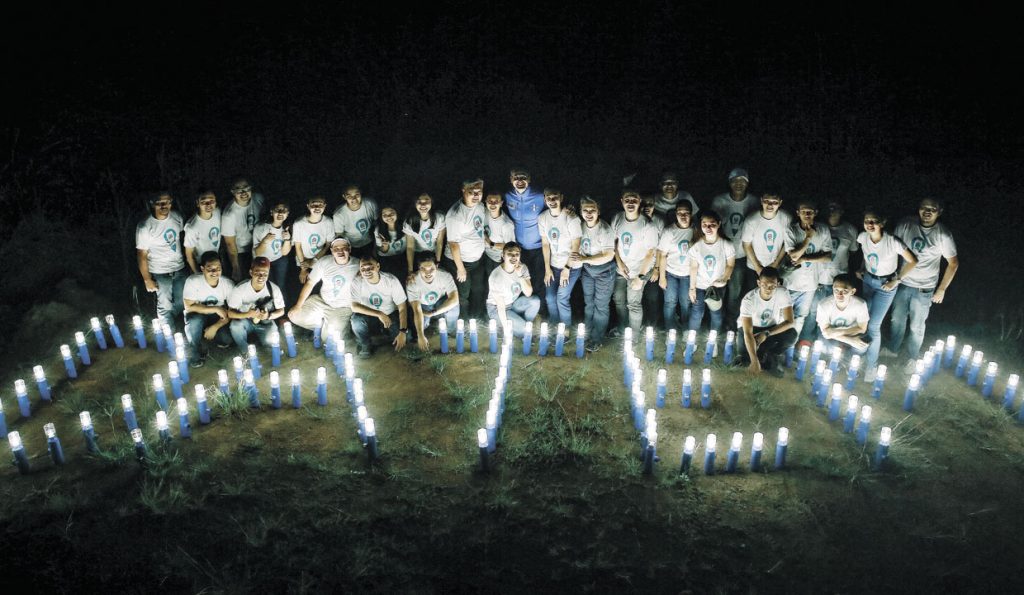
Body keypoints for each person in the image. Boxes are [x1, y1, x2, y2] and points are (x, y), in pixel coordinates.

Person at [885, 197, 959, 374]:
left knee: (917, 325)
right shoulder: (905, 225)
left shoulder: (943, 235)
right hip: (902, 282)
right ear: (918, 209)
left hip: (924, 287)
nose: (927, 212)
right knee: (897, 319)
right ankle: (893, 349)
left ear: (939, 212)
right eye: (924, 208)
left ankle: (912, 357)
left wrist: (941, 289)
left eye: (932, 209)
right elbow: (892, 247)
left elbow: (953, 263)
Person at [856, 207, 918, 381]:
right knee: (863, 320)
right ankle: (861, 354)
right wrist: (861, 268)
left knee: (874, 326)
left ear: (882, 223)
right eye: (867, 221)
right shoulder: (862, 237)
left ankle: (871, 366)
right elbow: (867, 254)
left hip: (885, 285)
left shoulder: (892, 241)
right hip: (868, 281)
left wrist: (897, 280)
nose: (870, 224)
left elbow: (913, 261)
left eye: (874, 221)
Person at [710, 168, 760, 330]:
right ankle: (716, 322)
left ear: (747, 183)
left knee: (735, 292)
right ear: (729, 183)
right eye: (735, 181)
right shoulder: (720, 201)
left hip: (740, 254)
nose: (738, 184)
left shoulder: (753, 201)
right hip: (721, 254)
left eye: (742, 181)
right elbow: (711, 225)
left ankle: (730, 321)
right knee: (718, 289)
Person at [805, 201, 860, 345]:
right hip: (818, 280)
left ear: (842, 211)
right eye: (829, 207)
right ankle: (806, 341)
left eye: (835, 207)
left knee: (831, 315)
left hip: (839, 283)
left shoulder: (850, 230)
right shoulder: (819, 227)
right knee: (812, 312)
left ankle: (824, 344)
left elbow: (853, 253)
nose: (832, 210)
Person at [289, 237, 360, 341]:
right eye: (336, 249)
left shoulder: (358, 265)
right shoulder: (324, 261)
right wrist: (298, 306)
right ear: (331, 250)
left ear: (349, 249)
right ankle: (322, 326)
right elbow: (310, 283)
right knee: (294, 315)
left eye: (344, 248)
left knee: (328, 339)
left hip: (342, 307)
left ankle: (340, 327)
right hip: (322, 301)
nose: (340, 251)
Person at [782, 200, 832, 347]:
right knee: (783, 317)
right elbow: (793, 256)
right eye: (803, 211)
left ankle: (790, 348)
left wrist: (805, 258)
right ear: (798, 213)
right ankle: (778, 347)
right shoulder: (791, 230)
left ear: (815, 213)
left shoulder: (823, 229)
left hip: (810, 284)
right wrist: (808, 237)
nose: (807, 214)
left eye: (810, 211)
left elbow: (828, 257)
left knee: (800, 317)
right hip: (791, 283)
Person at [136, 191, 188, 331]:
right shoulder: (145, 226)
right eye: (160, 203)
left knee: (182, 302)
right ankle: (168, 334)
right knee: (165, 305)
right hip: (160, 272)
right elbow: (141, 255)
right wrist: (147, 279)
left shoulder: (177, 217)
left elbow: (182, 238)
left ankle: (176, 324)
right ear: (152, 204)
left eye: (167, 202)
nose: (164, 206)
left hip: (179, 268)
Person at [611, 190, 659, 335]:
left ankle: (634, 336)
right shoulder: (618, 218)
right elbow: (613, 243)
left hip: (640, 270)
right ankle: (623, 329)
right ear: (622, 201)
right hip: (622, 269)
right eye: (627, 200)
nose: (630, 203)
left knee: (633, 303)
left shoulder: (648, 225)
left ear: (639, 201)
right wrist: (619, 263)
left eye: (634, 200)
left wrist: (640, 277)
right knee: (618, 300)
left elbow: (650, 253)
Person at [572, 196, 617, 350]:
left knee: (601, 305)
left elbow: (608, 255)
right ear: (581, 212)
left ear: (599, 211)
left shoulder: (605, 230)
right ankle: (586, 333)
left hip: (604, 271)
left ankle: (597, 339)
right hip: (588, 271)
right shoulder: (580, 226)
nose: (589, 213)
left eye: (593, 210)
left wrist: (585, 259)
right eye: (585, 210)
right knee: (589, 303)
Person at [738, 267, 796, 377]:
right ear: (758, 283)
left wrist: (766, 333)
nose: (768, 289)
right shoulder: (749, 300)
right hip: (752, 328)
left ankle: (772, 355)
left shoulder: (783, 292)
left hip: (770, 328)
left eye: (772, 286)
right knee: (745, 356)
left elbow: (789, 321)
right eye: (764, 285)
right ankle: (759, 355)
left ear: (778, 284)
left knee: (791, 334)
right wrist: (754, 361)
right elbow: (747, 332)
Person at [504, 168, 548, 311]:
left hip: (538, 248)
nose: (520, 181)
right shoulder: (508, 196)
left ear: (529, 180)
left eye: (523, 177)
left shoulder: (539, 196)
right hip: (519, 249)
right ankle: (524, 312)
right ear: (511, 180)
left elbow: (555, 208)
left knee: (539, 282)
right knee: (521, 281)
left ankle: (540, 314)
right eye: (516, 177)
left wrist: (569, 208)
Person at [443, 178, 488, 318]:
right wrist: (460, 268)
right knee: (463, 293)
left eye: (479, 192)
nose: (476, 195)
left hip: (477, 260)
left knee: (478, 289)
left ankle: (476, 317)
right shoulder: (455, 215)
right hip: (460, 262)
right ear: (463, 191)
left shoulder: (480, 206)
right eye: (472, 192)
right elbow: (453, 244)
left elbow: (479, 228)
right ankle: (463, 320)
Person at [537, 188, 582, 326]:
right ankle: (554, 325)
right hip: (554, 265)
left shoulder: (571, 218)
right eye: (548, 198)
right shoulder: (542, 218)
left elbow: (576, 245)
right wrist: (547, 269)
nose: (552, 200)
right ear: (544, 199)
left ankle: (565, 329)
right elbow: (545, 244)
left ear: (561, 198)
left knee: (562, 298)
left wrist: (567, 268)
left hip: (571, 266)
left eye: (555, 197)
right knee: (550, 298)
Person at [182, 251, 235, 366]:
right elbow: (189, 307)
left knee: (226, 339)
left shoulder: (227, 284)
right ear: (202, 268)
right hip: (197, 314)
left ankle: (208, 334)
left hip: (217, 316)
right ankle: (195, 350)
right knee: (194, 322)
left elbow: (231, 312)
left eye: (218, 268)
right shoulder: (193, 281)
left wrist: (215, 327)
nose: (215, 272)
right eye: (210, 269)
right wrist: (215, 308)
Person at [687, 210, 736, 334]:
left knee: (716, 313)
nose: (708, 228)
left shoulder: (726, 244)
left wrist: (724, 278)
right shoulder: (696, 245)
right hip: (700, 285)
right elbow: (693, 267)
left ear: (719, 224)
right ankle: (691, 338)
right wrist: (692, 288)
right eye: (704, 224)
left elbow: (730, 265)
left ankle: (714, 338)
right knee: (697, 312)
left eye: (712, 224)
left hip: (717, 286)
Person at [349, 255, 408, 357]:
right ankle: (365, 343)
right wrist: (379, 314)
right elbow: (354, 306)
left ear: (378, 266)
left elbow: (402, 307)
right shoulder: (357, 281)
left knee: (406, 338)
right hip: (369, 316)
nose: (366, 271)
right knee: (356, 321)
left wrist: (403, 331)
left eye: (370, 267)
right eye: (363, 268)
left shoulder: (391, 280)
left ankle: (385, 336)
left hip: (389, 315)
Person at [227, 257, 286, 351]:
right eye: (257, 273)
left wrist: (268, 315)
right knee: (235, 326)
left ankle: (265, 342)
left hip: (265, 322)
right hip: (245, 321)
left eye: (265, 274)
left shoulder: (273, 288)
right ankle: (245, 351)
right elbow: (230, 313)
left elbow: (281, 310)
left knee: (273, 344)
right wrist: (247, 314)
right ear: (251, 272)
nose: (261, 277)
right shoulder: (240, 289)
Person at [741, 189, 792, 295]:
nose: (770, 205)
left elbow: (787, 243)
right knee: (754, 294)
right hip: (754, 267)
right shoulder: (752, 220)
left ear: (780, 203)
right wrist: (757, 267)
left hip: (776, 266)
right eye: (766, 201)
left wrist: (776, 263)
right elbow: (746, 244)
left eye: (774, 202)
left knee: (774, 295)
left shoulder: (786, 218)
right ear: (761, 201)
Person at [406, 253, 460, 351]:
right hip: (423, 307)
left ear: (437, 266)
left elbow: (454, 299)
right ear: (418, 268)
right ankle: (420, 333)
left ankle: (451, 331)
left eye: (431, 269)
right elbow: (417, 310)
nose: (428, 273)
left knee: (453, 307)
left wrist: (433, 313)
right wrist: (421, 336)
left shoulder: (445, 275)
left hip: (439, 302)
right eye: (423, 269)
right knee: (417, 328)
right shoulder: (412, 281)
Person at [486, 242, 540, 337]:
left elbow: (528, 293)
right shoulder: (496, 276)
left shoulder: (522, 268)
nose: (514, 257)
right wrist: (506, 327)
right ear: (503, 255)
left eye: (517, 254)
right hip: (496, 309)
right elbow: (501, 307)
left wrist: (520, 275)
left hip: (512, 304)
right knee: (525, 330)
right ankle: (509, 326)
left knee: (535, 301)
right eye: (510, 254)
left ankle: (523, 324)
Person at [658, 202, 696, 332]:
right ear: (676, 214)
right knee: (670, 302)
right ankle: (670, 330)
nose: (683, 216)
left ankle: (686, 329)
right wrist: (662, 277)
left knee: (686, 303)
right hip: (671, 273)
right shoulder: (669, 231)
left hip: (688, 274)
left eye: (686, 213)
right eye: (680, 213)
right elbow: (663, 255)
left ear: (691, 214)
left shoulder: (696, 230)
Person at [222, 178, 265, 282]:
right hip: (241, 252)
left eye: (246, 188)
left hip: (258, 246)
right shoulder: (229, 214)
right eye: (238, 189)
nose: (243, 192)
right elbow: (230, 243)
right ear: (232, 191)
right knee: (244, 281)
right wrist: (236, 267)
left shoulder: (258, 198)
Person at [815, 273, 870, 354]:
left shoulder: (860, 304)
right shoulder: (823, 305)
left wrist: (838, 332)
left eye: (844, 291)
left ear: (852, 291)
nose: (839, 295)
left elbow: (862, 329)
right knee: (827, 347)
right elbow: (826, 333)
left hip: (850, 333)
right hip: (833, 337)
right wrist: (850, 341)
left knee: (861, 348)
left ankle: (848, 358)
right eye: (836, 290)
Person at [252, 200, 293, 295]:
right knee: (268, 286)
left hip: (279, 259)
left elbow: (284, 253)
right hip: (263, 260)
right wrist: (265, 241)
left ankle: (282, 303)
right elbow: (258, 253)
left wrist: (287, 239)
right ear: (271, 212)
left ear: (287, 214)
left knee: (281, 285)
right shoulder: (261, 227)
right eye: (277, 210)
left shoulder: (288, 228)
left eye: (284, 210)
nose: (280, 213)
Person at [292, 196, 335, 285]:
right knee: (302, 284)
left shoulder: (329, 222)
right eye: (313, 205)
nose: (317, 207)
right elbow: (298, 246)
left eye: (320, 205)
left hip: (319, 259)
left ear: (325, 206)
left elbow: (328, 245)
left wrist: (314, 260)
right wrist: (303, 268)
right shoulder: (299, 223)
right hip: (302, 260)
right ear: (308, 206)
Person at [403, 193, 446, 275]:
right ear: (415, 203)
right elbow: (410, 247)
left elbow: (439, 242)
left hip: (434, 253)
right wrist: (410, 269)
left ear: (431, 202)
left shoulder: (440, 217)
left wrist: (437, 262)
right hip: (418, 254)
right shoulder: (409, 221)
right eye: (419, 202)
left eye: (427, 201)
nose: (423, 205)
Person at [183, 190, 222, 274]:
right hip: (201, 264)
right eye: (204, 202)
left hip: (216, 260)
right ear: (198, 203)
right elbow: (189, 255)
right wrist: (198, 273)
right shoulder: (192, 227)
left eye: (211, 201)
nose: (208, 204)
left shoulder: (217, 212)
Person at [332, 185, 378, 256]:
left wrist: (376, 244)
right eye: (349, 196)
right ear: (344, 197)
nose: (354, 199)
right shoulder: (339, 214)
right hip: (351, 245)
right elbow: (339, 235)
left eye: (357, 195)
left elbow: (377, 222)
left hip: (370, 241)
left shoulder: (370, 203)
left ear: (361, 193)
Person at [481, 192, 516, 277]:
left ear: (501, 203)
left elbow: (510, 247)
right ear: (486, 202)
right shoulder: (484, 212)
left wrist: (490, 243)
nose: (493, 204)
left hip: (498, 260)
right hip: (485, 255)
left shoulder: (506, 224)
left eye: (496, 201)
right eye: (490, 201)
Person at [373, 206, 407, 278]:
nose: (388, 217)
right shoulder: (378, 229)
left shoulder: (405, 225)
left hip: (402, 257)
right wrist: (385, 245)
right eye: (384, 215)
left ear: (397, 213)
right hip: (386, 259)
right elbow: (383, 251)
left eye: (391, 213)